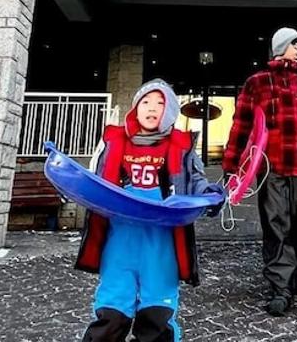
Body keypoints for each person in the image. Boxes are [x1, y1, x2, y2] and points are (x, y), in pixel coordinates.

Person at [76, 79, 224, 341]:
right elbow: (94, 181)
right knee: (112, 307)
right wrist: (69, 183)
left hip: (161, 245)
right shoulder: (113, 142)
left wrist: (209, 195)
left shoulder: (181, 147)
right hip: (119, 242)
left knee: (156, 312)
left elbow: (196, 181)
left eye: (160, 103)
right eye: (145, 102)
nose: (152, 108)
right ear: (136, 108)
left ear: (170, 111)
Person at [223, 27, 297, 316]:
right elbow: (241, 124)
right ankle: (281, 287)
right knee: (276, 225)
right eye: (295, 45)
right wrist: (231, 164)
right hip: (272, 167)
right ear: (280, 47)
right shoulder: (256, 83)